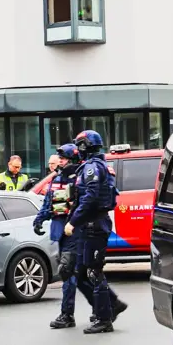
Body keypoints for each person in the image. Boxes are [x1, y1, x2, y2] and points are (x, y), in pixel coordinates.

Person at [65, 131, 128, 334]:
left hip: (94, 226)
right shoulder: (92, 166)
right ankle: (110, 306)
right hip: (89, 226)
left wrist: (73, 221)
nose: (77, 150)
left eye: (79, 145)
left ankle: (104, 318)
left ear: (85, 146)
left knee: (94, 272)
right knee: (81, 272)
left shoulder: (92, 168)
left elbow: (90, 197)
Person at [33, 144, 96, 329]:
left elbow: (86, 203)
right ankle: (100, 308)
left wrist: (75, 223)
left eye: (63, 158)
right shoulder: (56, 178)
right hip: (61, 231)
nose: (60, 161)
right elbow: (48, 202)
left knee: (68, 272)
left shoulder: (79, 177)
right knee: (77, 274)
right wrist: (39, 219)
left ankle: (68, 314)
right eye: (58, 158)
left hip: (75, 231)